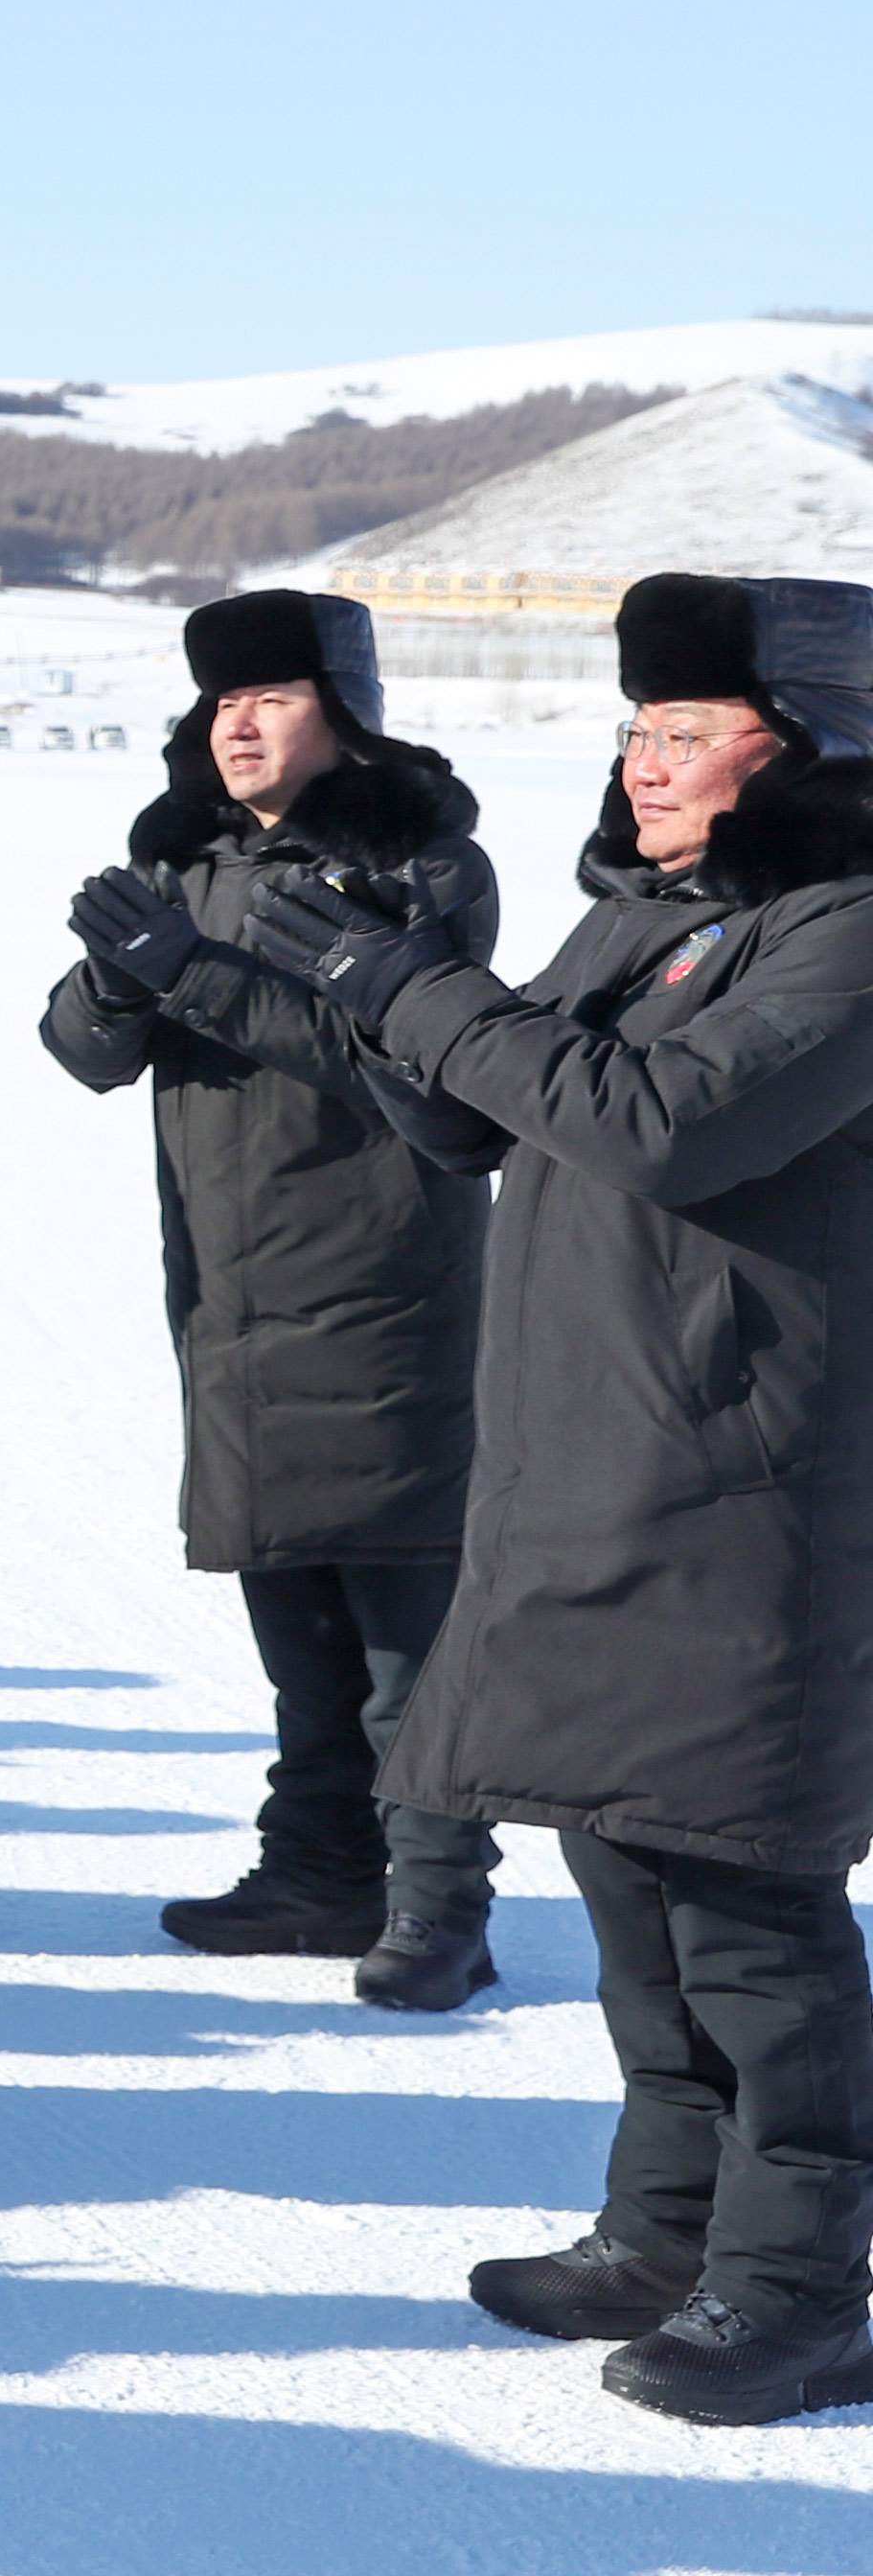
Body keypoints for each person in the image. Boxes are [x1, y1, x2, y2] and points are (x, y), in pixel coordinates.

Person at [251, 572, 873, 2426]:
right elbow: (481, 1112)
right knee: (620, 1867)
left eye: (685, 731)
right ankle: (664, 2232)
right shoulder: (649, 913)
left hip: (751, 1483)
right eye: (633, 729)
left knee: (747, 1903)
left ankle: (798, 2281)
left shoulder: (844, 933)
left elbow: (655, 1123)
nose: (645, 761)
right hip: (590, 1464)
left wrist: (422, 992)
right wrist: (372, 987)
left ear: (809, 748)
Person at [38, 589, 508, 2010]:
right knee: (289, 1601)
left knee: (399, 1630)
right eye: (221, 704)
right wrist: (121, 991)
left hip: (381, 1280)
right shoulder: (185, 864)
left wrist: (196, 978)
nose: (236, 724)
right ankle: (317, 1872)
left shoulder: (423, 865)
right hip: (230, 1294)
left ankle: (440, 1907)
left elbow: (408, 1061)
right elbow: (76, 1045)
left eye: (272, 698)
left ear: (345, 708)